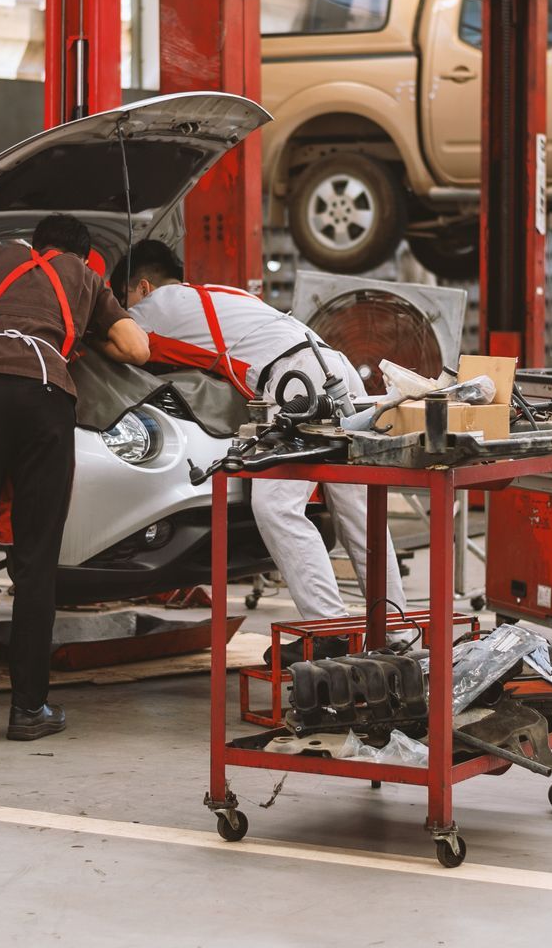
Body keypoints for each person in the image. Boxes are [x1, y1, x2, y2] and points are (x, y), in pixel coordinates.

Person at [0, 214, 150, 743]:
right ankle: (30, 710)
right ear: (81, 256)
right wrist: (85, 335)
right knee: (35, 562)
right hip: (48, 399)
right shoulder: (84, 278)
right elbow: (138, 350)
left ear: (35, 244)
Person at [113, 241, 405, 666]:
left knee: (275, 505)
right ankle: (397, 632)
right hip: (335, 369)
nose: (129, 308)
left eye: (127, 300)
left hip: (296, 382)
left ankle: (329, 631)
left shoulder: (157, 303)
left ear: (142, 286)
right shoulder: (222, 295)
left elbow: (120, 341)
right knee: (358, 511)